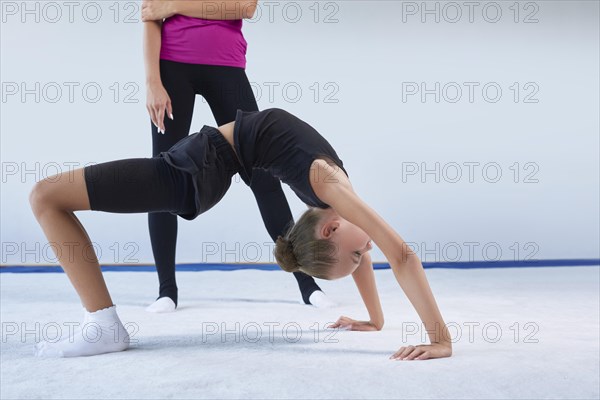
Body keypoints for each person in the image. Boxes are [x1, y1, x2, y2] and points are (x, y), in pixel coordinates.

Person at [29, 108, 453, 360]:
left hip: (196, 171)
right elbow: (403, 255)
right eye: (360, 256)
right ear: (330, 227)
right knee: (46, 196)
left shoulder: (335, 202)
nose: (368, 251)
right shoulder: (332, 189)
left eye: (359, 256)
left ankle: (103, 326)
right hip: (199, 167)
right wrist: (409, 331)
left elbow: (372, 250)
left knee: (46, 197)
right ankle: (103, 324)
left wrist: (403, 327)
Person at [141, 0, 330, 313]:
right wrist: (152, 82)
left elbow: (244, 7)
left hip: (226, 66)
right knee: (162, 173)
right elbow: (150, 15)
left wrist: (173, 6)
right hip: (171, 66)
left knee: (263, 175)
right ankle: (166, 291)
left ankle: (307, 283)